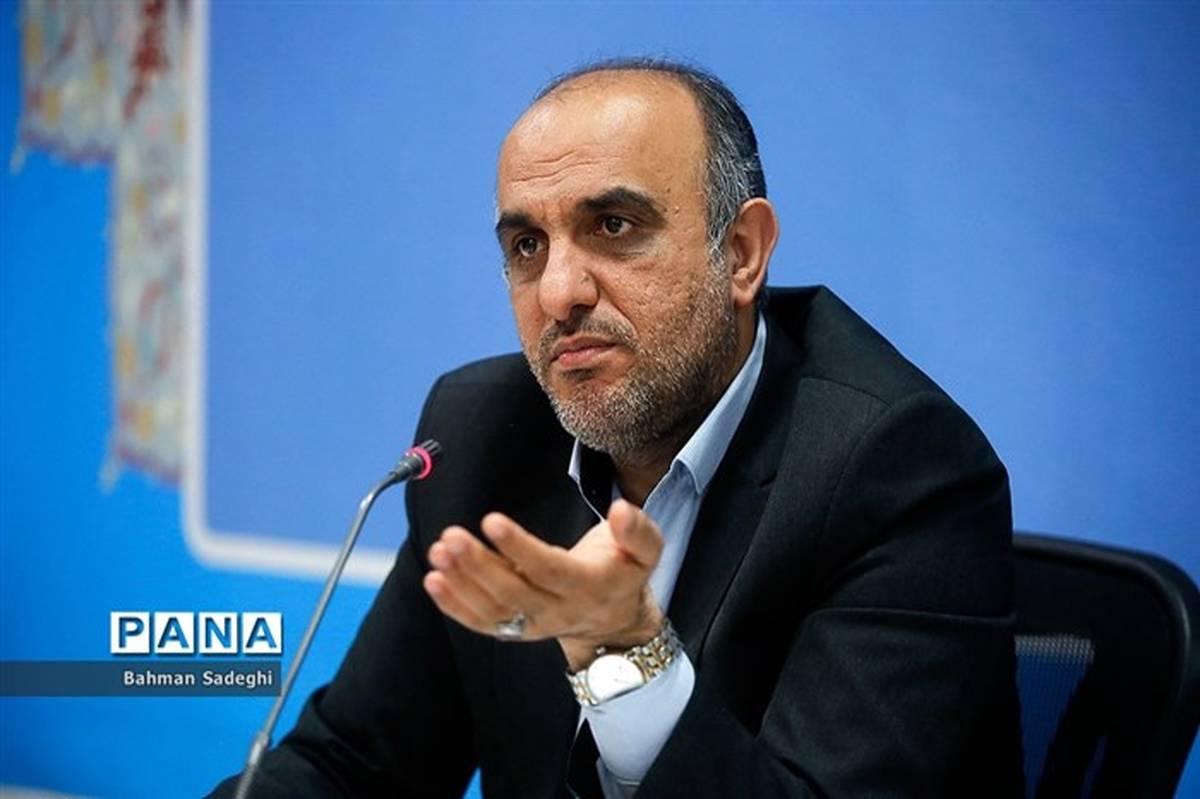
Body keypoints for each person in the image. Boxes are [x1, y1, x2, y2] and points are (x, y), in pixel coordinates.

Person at [211, 58, 1023, 798]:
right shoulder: (482, 434)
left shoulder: (896, 466)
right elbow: (354, 763)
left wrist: (626, 655)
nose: (558, 292)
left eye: (613, 226)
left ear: (742, 252)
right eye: (527, 244)